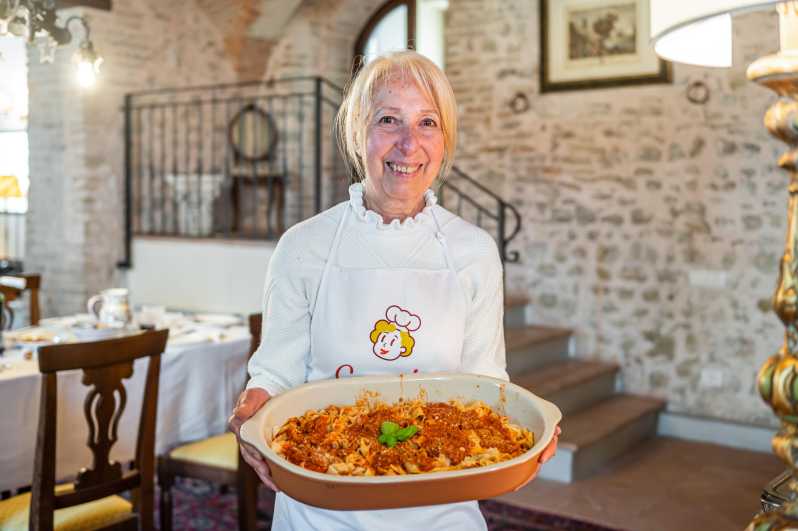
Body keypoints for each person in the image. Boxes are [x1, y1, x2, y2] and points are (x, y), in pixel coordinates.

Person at [229, 50, 560, 530]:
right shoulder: (302, 247)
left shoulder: (474, 251)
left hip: (445, 511)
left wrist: (528, 434)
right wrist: (253, 410)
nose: (409, 144)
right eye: (389, 119)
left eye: (427, 122)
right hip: (320, 511)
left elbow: (488, 385)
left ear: (444, 140)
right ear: (358, 131)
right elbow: (275, 374)